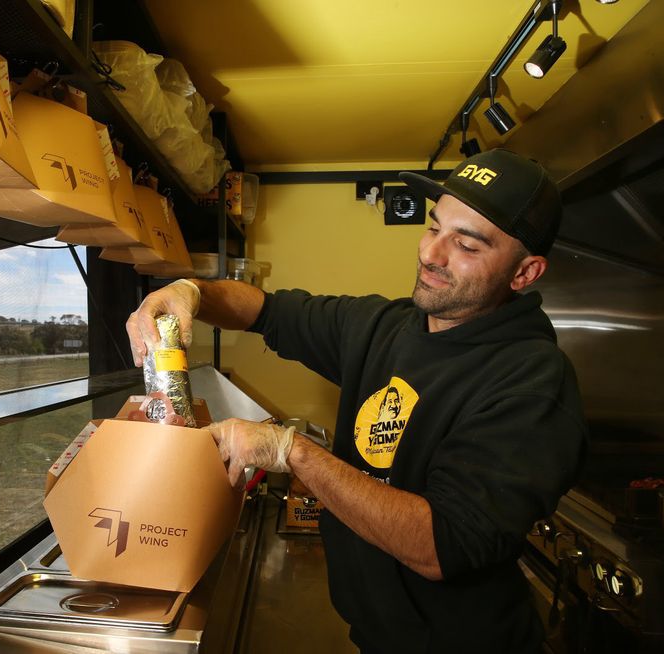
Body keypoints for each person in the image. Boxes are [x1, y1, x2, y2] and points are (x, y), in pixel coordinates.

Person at [126, 149, 588, 654]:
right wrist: (189, 292)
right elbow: (266, 311)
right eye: (434, 228)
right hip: (374, 636)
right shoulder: (384, 326)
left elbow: (441, 546)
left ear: (524, 273)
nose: (431, 254)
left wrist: (291, 451)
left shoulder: (532, 382)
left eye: (467, 245)